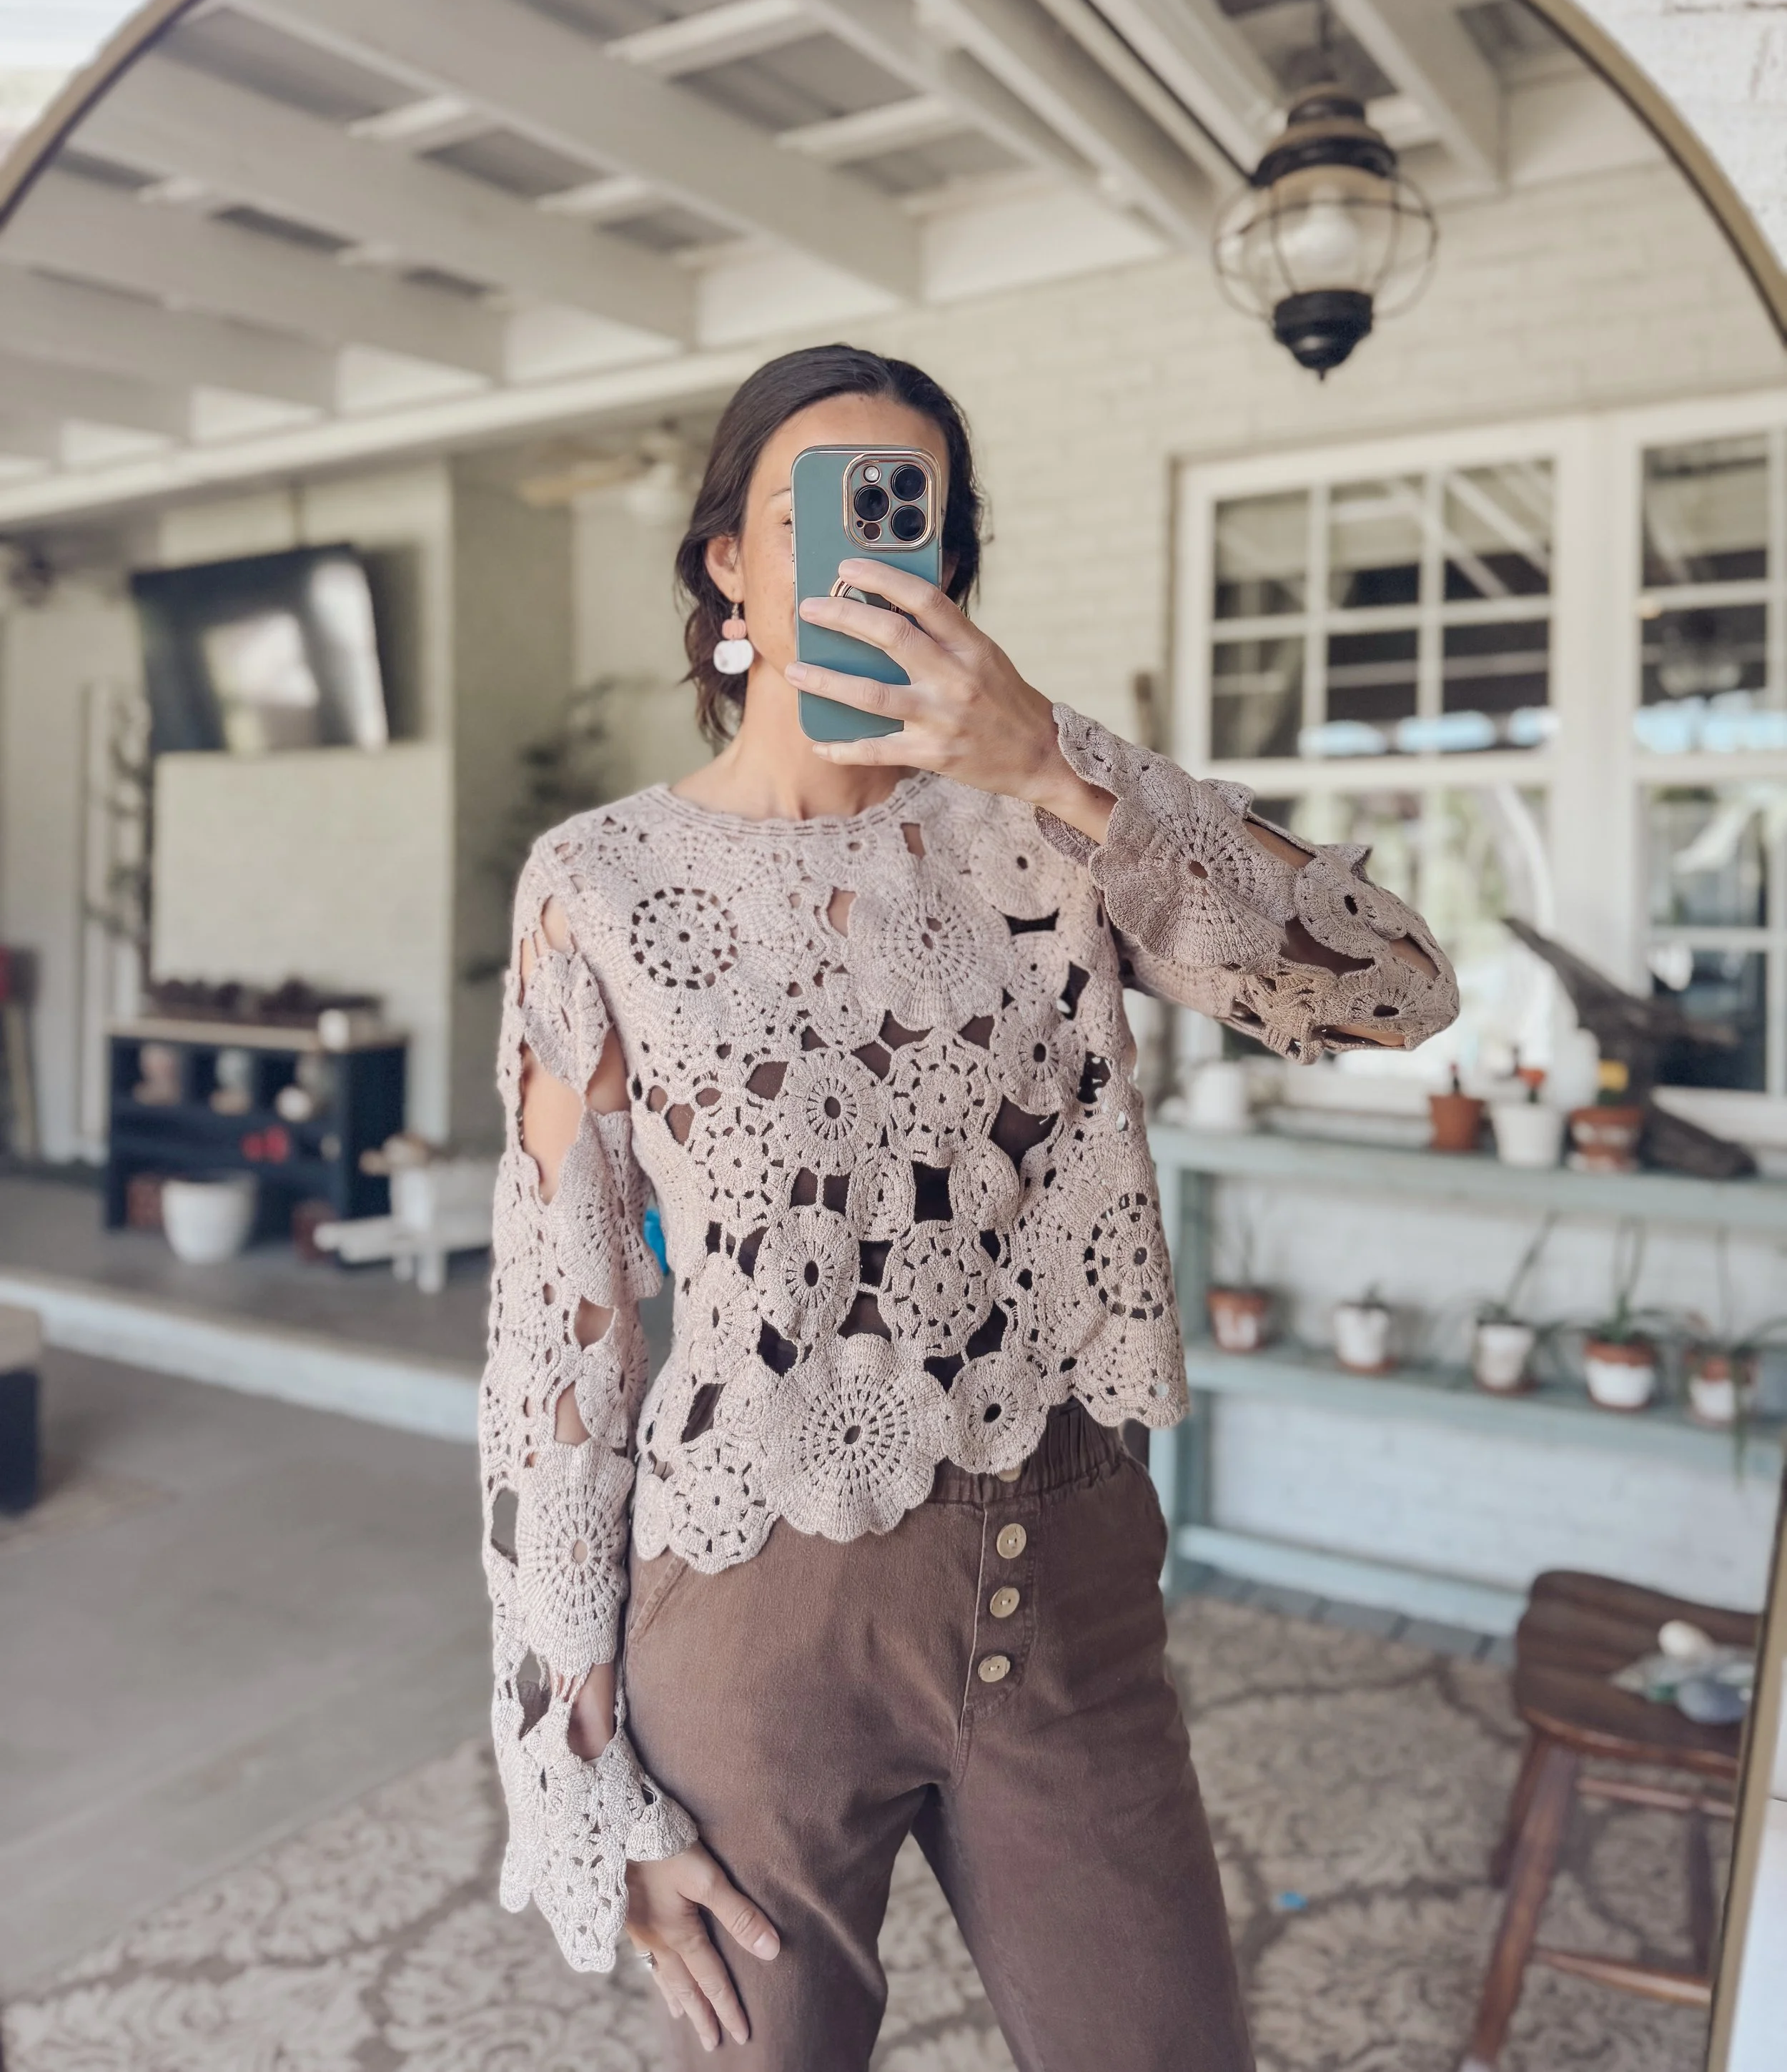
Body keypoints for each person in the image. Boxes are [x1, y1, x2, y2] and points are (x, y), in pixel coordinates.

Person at [480, 342, 1457, 2069]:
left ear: (946, 558)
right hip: (753, 1609)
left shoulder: (1053, 819)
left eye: (902, 513)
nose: (860, 556)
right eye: (813, 510)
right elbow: (557, 1340)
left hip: (1063, 1575)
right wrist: (572, 1761)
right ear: (728, 562)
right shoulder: (602, 884)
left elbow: (1394, 989)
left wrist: (1060, 769)